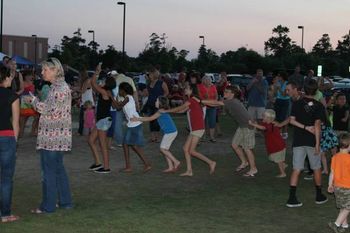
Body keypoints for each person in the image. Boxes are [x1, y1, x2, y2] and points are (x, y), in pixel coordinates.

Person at [25, 58, 73, 214]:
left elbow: (47, 109)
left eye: (45, 69)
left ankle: (48, 206)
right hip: (58, 137)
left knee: (48, 172)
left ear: (54, 70)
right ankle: (65, 202)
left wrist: (33, 100)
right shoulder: (59, 86)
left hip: (52, 138)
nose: (42, 72)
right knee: (58, 170)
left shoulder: (58, 88)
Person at [286, 79, 328, 208]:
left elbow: (291, 121)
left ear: (304, 89)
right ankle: (319, 196)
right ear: (316, 90)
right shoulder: (319, 106)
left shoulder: (297, 103)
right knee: (316, 168)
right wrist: (317, 144)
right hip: (311, 141)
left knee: (296, 169)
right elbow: (317, 125)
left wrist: (304, 127)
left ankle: (292, 198)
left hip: (299, 140)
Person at [162, 84, 218, 177]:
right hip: (195, 129)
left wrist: (167, 111)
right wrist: (170, 111)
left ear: (192, 90)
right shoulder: (192, 101)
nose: (185, 89)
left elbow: (180, 108)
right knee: (185, 149)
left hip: (198, 128)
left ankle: (211, 162)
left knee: (192, 151)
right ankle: (189, 171)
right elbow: (182, 110)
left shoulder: (192, 100)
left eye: (187, 88)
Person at [131, 96, 180, 173]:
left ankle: (176, 162)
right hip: (170, 132)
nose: (155, 102)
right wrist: (138, 118)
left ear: (160, 103)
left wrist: (137, 119)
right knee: (165, 150)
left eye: (157, 101)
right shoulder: (161, 111)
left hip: (170, 132)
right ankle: (170, 167)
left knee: (162, 149)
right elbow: (150, 118)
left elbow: (150, 119)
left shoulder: (160, 111)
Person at [113, 82, 151, 173]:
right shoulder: (127, 98)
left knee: (133, 146)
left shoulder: (128, 98)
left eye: (120, 90)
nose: (119, 91)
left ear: (123, 90)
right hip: (132, 124)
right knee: (126, 144)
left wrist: (111, 97)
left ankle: (146, 164)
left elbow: (118, 106)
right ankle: (129, 166)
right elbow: (118, 107)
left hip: (135, 124)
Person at [220, 85, 258, 177]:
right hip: (242, 126)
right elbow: (217, 103)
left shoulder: (232, 102)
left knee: (247, 148)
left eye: (227, 92)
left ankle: (253, 169)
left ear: (232, 94)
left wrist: (200, 101)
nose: (224, 93)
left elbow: (216, 103)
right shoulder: (230, 101)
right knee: (234, 145)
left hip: (248, 126)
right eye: (224, 91)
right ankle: (244, 162)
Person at [0, 66, 20, 223]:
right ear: (6, 77)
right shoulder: (12, 96)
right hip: (7, 138)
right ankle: (5, 214)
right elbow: (15, 122)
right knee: (6, 178)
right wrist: (15, 142)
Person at [88, 64, 116, 174]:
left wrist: (97, 72)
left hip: (103, 121)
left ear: (107, 83)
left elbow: (93, 83)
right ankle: (98, 163)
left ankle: (106, 167)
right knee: (91, 140)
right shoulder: (106, 91)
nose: (102, 81)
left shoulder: (105, 92)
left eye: (104, 80)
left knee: (103, 145)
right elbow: (94, 84)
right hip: (102, 120)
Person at [249, 109, 288, 177]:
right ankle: (283, 164)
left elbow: (263, 128)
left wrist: (253, 124)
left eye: (263, 116)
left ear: (268, 118)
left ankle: (283, 173)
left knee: (278, 160)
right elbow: (261, 126)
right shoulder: (267, 123)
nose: (262, 117)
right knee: (272, 158)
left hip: (278, 146)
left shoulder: (271, 125)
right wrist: (255, 123)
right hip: (274, 145)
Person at [327, 133, 350, 233]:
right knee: (348, 207)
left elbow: (332, 172)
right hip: (347, 187)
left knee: (343, 206)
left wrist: (330, 185)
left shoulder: (335, 157)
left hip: (337, 187)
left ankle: (344, 226)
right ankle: (336, 224)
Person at [144, 67, 169, 142]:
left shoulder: (161, 83)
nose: (149, 75)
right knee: (151, 120)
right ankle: (152, 137)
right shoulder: (148, 83)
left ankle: (157, 137)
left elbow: (167, 92)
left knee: (157, 121)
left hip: (158, 105)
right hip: (150, 103)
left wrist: (161, 100)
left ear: (154, 74)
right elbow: (148, 93)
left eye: (150, 74)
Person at [198, 75, 218, 142]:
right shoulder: (200, 87)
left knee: (212, 121)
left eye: (208, 80)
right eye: (206, 80)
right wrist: (205, 99)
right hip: (203, 106)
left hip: (212, 106)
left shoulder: (213, 86)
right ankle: (203, 136)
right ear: (203, 81)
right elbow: (199, 97)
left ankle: (212, 137)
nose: (207, 81)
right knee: (203, 122)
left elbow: (216, 95)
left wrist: (215, 101)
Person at [19, 71, 39, 137]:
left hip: (31, 102)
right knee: (23, 119)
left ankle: (32, 132)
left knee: (36, 117)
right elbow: (21, 92)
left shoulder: (32, 82)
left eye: (32, 75)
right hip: (24, 102)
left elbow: (33, 92)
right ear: (25, 76)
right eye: (30, 75)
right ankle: (21, 133)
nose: (32, 76)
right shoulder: (22, 83)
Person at [78, 70, 95, 136]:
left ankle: (82, 132)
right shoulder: (85, 81)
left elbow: (82, 91)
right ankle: (82, 132)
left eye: (79, 75)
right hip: (86, 103)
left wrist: (74, 89)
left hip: (88, 104)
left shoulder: (87, 81)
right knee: (83, 119)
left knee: (86, 119)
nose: (78, 77)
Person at [274, 71, 290, 139]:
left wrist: (279, 88)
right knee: (277, 117)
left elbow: (284, 94)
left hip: (285, 101)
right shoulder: (278, 83)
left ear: (282, 77)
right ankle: (279, 133)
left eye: (279, 76)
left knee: (284, 117)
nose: (278, 77)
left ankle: (285, 133)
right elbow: (275, 93)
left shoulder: (287, 84)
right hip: (278, 100)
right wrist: (275, 87)